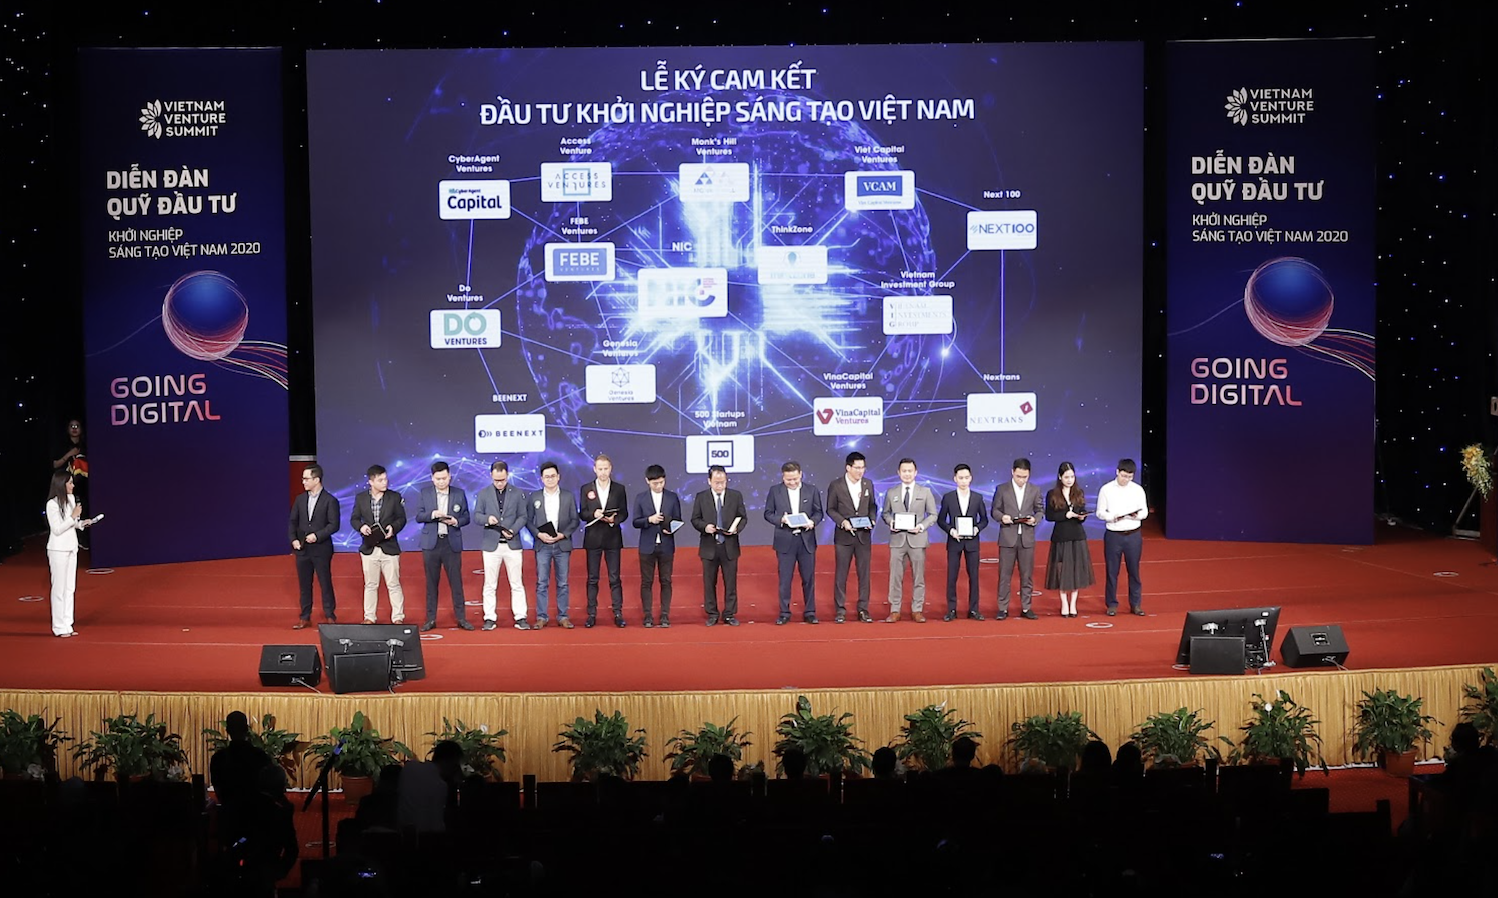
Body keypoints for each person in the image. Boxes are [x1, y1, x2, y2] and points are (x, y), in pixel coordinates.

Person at [414, 460, 474, 631]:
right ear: (432, 478)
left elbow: (466, 517)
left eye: (444, 478)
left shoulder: (458, 493)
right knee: (431, 583)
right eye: (438, 479)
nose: (441, 482)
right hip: (431, 544)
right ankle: (430, 619)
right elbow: (418, 516)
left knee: (456, 582)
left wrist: (456, 521)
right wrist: (432, 514)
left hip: (451, 542)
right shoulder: (425, 493)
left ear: (450, 477)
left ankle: (461, 618)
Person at [764, 460, 824, 625]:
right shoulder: (775, 491)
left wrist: (812, 522)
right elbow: (768, 513)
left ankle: (810, 612)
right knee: (785, 579)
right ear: (782, 477)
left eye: (795, 479)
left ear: (801, 475)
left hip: (806, 540)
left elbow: (819, 513)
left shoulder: (811, 490)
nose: (792, 482)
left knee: (808, 578)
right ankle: (784, 612)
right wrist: (781, 520)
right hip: (785, 540)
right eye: (788, 479)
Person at [472, 460, 529, 629]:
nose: (500, 483)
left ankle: (520, 617)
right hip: (491, 544)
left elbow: (523, 516)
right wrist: (487, 519)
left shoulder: (517, 493)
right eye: (497, 480)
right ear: (491, 475)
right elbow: (477, 516)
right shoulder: (483, 494)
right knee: (490, 583)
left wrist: (513, 530)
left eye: (503, 480)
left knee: (516, 582)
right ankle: (489, 617)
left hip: (512, 544)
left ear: (507, 476)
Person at [348, 464, 408, 625]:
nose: (385, 482)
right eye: (380, 480)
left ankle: (398, 617)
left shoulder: (394, 497)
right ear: (371, 482)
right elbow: (354, 519)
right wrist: (361, 527)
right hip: (369, 548)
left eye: (385, 479)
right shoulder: (361, 498)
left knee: (393, 584)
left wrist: (393, 528)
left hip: (389, 547)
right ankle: (369, 617)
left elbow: (401, 519)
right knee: (370, 584)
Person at [881, 457, 938, 623]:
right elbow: (885, 513)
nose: (907, 474)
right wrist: (891, 522)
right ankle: (895, 610)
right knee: (895, 577)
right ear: (898, 473)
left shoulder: (925, 492)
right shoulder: (891, 492)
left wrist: (921, 526)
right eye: (904, 471)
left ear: (916, 472)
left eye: (910, 471)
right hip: (897, 540)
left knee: (918, 576)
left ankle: (917, 609)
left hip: (917, 540)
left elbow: (933, 515)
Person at [690, 465, 747, 626]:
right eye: (717, 482)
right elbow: (695, 519)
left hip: (729, 545)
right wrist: (705, 527)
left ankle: (729, 613)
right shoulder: (701, 497)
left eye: (723, 482)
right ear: (709, 481)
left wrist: (736, 529)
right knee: (709, 583)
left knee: (730, 582)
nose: (720, 485)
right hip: (709, 546)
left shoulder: (735, 496)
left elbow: (743, 517)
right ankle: (712, 613)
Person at [527, 460, 580, 628]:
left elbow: (575, 520)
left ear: (558, 477)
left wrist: (562, 534)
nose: (550, 479)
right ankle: (541, 616)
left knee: (562, 583)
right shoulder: (535, 497)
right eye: (546, 477)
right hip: (542, 545)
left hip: (562, 544)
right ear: (541, 479)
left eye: (553, 476)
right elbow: (528, 520)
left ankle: (563, 616)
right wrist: (538, 534)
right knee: (542, 582)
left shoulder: (568, 496)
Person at [826, 451, 877, 623]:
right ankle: (840, 610)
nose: (860, 471)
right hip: (844, 537)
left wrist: (872, 519)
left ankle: (863, 609)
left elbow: (872, 506)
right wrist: (842, 522)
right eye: (857, 468)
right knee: (841, 574)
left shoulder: (868, 484)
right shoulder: (836, 485)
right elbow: (830, 509)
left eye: (863, 467)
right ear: (848, 468)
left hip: (864, 536)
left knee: (864, 574)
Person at [991, 458, 1045, 620]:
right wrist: (1002, 517)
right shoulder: (1002, 489)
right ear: (1012, 472)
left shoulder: (1034, 490)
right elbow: (994, 511)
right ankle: (1002, 608)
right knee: (1004, 575)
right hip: (1008, 537)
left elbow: (1040, 511)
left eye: (1025, 477)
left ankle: (1026, 607)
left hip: (1027, 538)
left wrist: (1034, 519)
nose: (1021, 480)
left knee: (1026, 575)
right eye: (1018, 476)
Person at [579, 453, 629, 628]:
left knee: (614, 577)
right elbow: (582, 513)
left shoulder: (619, 489)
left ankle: (618, 613)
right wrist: (593, 514)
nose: (603, 472)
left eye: (605, 469)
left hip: (612, 538)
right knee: (593, 578)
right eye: (600, 469)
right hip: (593, 538)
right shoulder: (586, 488)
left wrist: (614, 519)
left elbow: (624, 512)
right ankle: (591, 613)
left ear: (610, 469)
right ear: (594, 469)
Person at [288, 464, 339, 629]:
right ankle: (305, 616)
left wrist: (317, 535)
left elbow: (334, 525)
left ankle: (330, 615)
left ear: (316, 480)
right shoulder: (300, 499)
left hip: (321, 549)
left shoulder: (330, 500)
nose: (303, 482)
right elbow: (293, 522)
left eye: (306, 479)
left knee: (325, 582)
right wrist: (293, 539)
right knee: (304, 584)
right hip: (302, 549)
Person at [631, 464, 682, 628]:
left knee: (666, 580)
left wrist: (670, 529)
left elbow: (678, 520)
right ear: (647, 481)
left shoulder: (672, 497)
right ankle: (648, 616)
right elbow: (635, 522)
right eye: (655, 483)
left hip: (666, 544)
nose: (659, 486)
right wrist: (649, 520)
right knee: (647, 581)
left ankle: (665, 615)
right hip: (647, 546)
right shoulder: (641, 498)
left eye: (661, 482)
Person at [936, 463, 988, 621]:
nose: (964, 481)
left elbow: (984, 520)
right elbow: (941, 520)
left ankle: (974, 609)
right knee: (952, 576)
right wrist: (951, 530)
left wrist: (976, 529)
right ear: (955, 479)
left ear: (971, 478)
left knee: (974, 576)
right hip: (954, 542)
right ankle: (952, 610)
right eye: (961, 478)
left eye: (966, 478)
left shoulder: (977, 498)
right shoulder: (948, 497)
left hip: (972, 542)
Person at [45, 470, 94, 637]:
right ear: (61, 484)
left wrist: (82, 523)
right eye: (70, 483)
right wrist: (73, 517)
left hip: (72, 547)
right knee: (59, 588)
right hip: (58, 549)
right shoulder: (52, 504)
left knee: (69, 588)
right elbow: (57, 529)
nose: (73, 486)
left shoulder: (71, 499)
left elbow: (73, 524)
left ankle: (68, 624)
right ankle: (58, 626)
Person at [1044, 461, 1096, 618]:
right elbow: (1049, 516)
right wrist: (1065, 515)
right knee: (1062, 570)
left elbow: (1082, 511)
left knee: (1076, 570)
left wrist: (1082, 517)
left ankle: (1073, 603)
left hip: (1077, 536)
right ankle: (1064, 603)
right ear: (1060, 477)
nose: (1069, 480)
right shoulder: (1052, 494)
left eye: (1072, 477)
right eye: (1066, 477)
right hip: (1061, 536)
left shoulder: (1079, 493)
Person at [1097, 458, 1148, 616]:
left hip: (1133, 534)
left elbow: (1144, 512)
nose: (1126, 479)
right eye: (1124, 476)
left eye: (1129, 477)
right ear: (1117, 472)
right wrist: (1112, 516)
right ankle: (1112, 604)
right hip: (1114, 535)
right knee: (1112, 571)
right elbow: (1100, 512)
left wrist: (1136, 516)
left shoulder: (1137, 490)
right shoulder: (1106, 489)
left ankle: (1136, 604)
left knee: (1134, 571)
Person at [209, 710, 272, 810]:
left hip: (230, 814)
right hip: (257, 813)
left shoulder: (218, 758)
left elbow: (219, 790)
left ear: (227, 730)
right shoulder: (260, 756)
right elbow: (269, 788)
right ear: (247, 729)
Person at [52, 418, 88, 546]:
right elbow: (55, 464)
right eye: (71, 426)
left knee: (84, 509)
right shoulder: (62, 445)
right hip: (66, 483)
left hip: (84, 483)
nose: (74, 428)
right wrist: (69, 454)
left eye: (77, 426)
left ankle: (83, 539)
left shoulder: (86, 444)